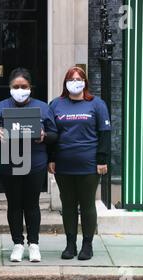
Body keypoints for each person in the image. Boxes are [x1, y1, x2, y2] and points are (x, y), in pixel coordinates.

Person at [0, 68, 57, 263]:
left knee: (31, 204)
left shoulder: (44, 108)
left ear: (30, 88)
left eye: (24, 87)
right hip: (8, 163)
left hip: (35, 163)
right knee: (14, 204)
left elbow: (55, 135)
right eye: (16, 87)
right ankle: (17, 244)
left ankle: (34, 244)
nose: (20, 90)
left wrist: (44, 135)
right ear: (10, 88)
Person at [49, 66, 111, 261]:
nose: (75, 82)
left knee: (87, 205)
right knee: (68, 205)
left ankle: (87, 244)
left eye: (79, 78)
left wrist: (102, 159)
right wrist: (51, 158)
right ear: (65, 83)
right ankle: (70, 245)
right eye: (71, 79)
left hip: (89, 165)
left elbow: (105, 134)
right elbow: (51, 133)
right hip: (63, 164)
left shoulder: (97, 104)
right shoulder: (56, 105)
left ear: (85, 82)